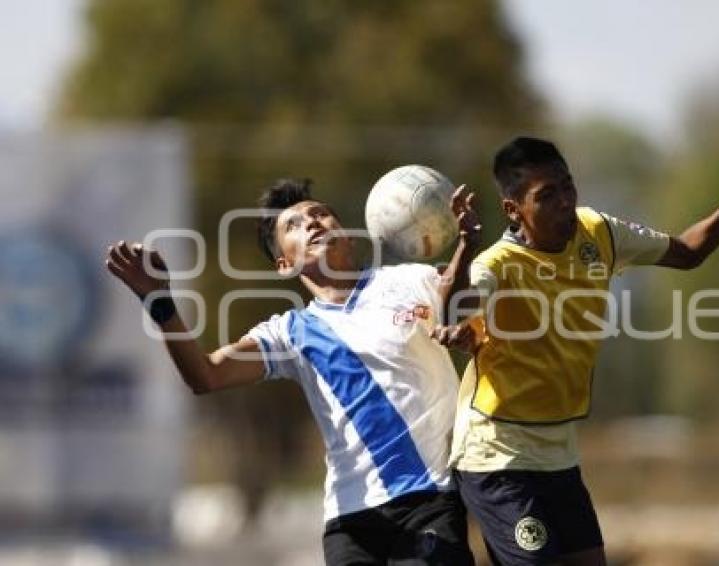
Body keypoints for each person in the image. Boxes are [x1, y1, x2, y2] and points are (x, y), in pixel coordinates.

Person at [105, 178, 480, 565]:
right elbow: (206, 375)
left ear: (348, 237)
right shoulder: (289, 332)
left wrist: (467, 247)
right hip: (352, 517)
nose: (314, 223)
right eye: (295, 225)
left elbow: (459, 303)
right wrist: (158, 301)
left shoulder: (407, 280)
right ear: (285, 264)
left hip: (431, 498)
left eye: (321, 215)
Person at [436, 136, 719, 566]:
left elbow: (686, 252)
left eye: (567, 186)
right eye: (547, 195)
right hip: (496, 454)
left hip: (559, 454)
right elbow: (450, 307)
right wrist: (466, 246)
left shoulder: (599, 232)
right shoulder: (494, 264)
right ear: (514, 210)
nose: (565, 202)